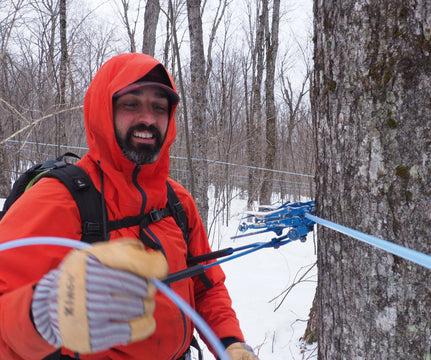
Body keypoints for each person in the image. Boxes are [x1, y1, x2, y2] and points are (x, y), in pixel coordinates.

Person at [0, 53, 258, 360]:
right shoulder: (58, 199)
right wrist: (41, 315)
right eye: (131, 104)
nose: (148, 119)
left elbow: (206, 286)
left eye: (159, 107)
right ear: (103, 111)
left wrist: (230, 342)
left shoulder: (178, 202)